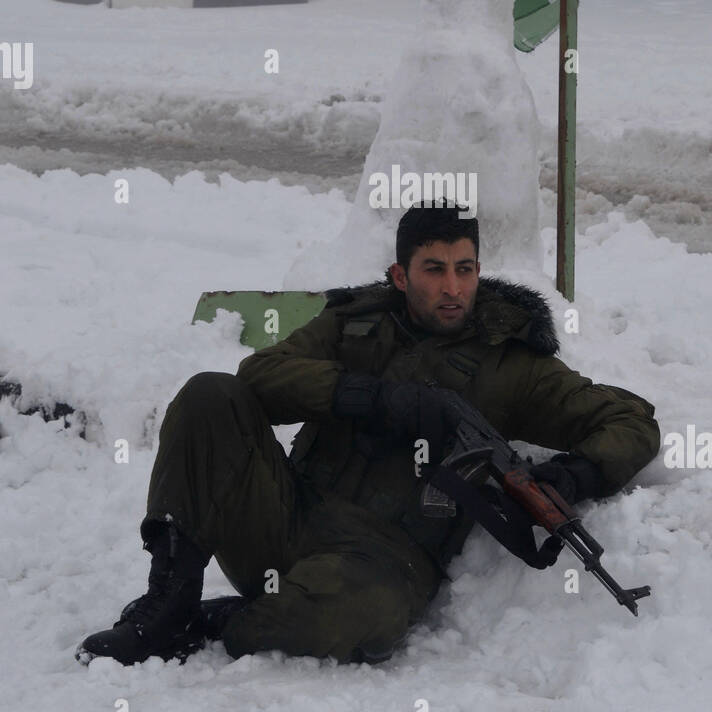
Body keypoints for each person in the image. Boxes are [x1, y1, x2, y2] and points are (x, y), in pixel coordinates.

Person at [76, 204, 660, 668]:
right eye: (435, 270)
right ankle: (167, 602)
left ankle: (223, 622)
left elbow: (631, 420)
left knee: (350, 615)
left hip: (383, 561)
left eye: (466, 269)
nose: (453, 287)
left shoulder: (510, 363)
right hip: (289, 516)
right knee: (210, 394)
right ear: (401, 275)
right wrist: (378, 397)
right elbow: (261, 377)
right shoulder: (355, 325)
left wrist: (572, 475)